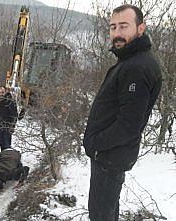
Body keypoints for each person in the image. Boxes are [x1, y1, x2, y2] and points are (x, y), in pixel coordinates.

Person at [83, 5, 162, 221]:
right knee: (106, 213)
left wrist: (96, 144)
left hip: (110, 156)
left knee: (101, 216)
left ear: (140, 28)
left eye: (124, 26)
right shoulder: (129, 62)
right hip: (109, 155)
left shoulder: (137, 67)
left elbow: (128, 124)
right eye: (113, 27)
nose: (117, 33)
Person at [0, 86, 18, 151]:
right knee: (1, 143)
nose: (1, 94)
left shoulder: (10, 101)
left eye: (2, 92)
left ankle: (7, 158)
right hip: (0, 124)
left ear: (6, 92)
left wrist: (12, 126)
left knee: (6, 144)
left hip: (7, 125)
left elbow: (14, 115)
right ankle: (3, 156)